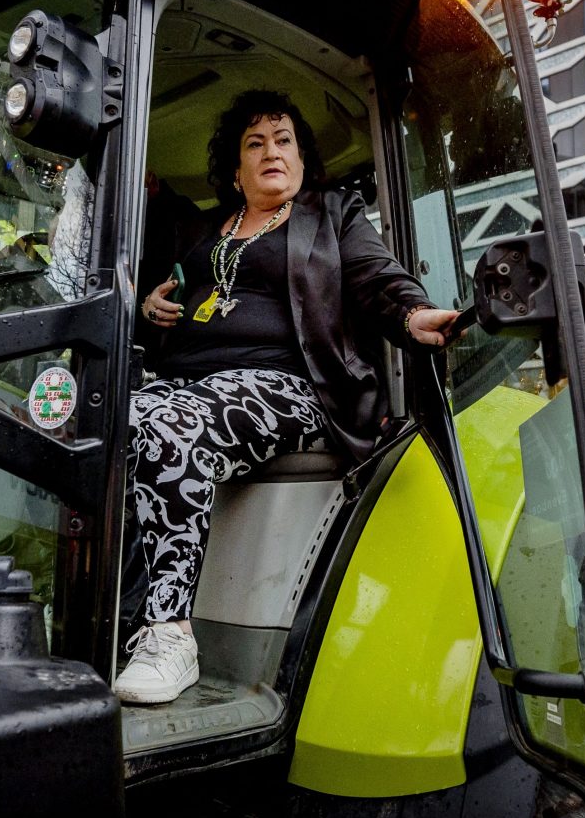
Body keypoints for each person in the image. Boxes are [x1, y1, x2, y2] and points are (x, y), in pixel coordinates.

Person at [113, 90, 457, 705]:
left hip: (284, 385)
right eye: (255, 143)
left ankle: (170, 632)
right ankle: (108, 615)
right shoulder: (208, 234)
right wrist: (149, 305)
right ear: (237, 170)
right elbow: (175, 287)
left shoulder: (330, 216)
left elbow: (377, 278)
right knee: (100, 414)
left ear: (301, 159)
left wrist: (412, 316)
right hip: (184, 381)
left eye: (283, 140)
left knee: (172, 426)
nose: (271, 151)